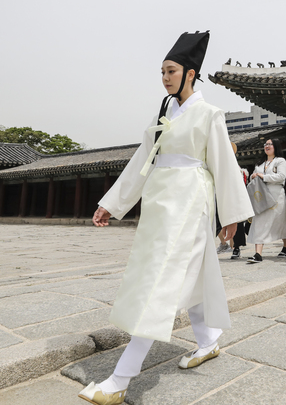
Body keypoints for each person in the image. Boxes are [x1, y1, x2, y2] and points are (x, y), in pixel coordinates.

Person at [80, 32, 254, 405]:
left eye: (171, 70)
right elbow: (142, 160)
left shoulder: (209, 114)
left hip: (191, 202)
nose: (165, 77)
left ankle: (120, 378)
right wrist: (112, 202)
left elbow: (223, 163)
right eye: (162, 71)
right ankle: (208, 342)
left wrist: (232, 213)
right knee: (180, 275)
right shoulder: (165, 113)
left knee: (161, 280)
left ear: (190, 73)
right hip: (161, 203)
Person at [246, 139, 286, 263]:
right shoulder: (260, 163)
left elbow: (282, 177)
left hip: (276, 196)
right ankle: (258, 254)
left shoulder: (280, 161)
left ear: (276, 146)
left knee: (281, 223)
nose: (267, 146)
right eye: (265, 144)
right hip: (261, 197)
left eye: (270, 144)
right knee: (259, 222)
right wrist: (253, 176)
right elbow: (253, 175)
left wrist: (263, 176)